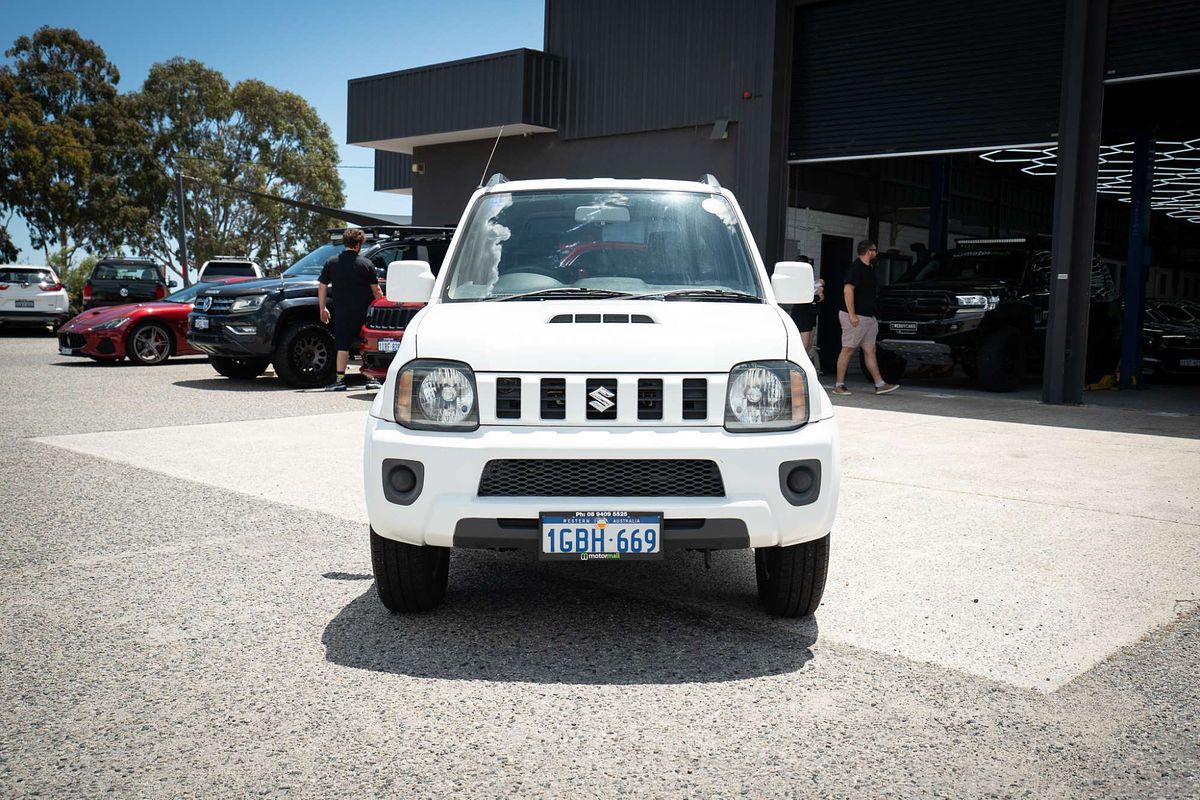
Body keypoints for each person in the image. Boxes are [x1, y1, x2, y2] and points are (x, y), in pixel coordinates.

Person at [318, 228, 383, 391]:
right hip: (364, 313)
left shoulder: (331, 262)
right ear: (359, 244)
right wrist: (381, 307)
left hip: (342, 313)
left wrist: (323, 308)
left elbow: (322, 286)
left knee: (342, 347)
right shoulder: (366, 264)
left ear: (344, 242)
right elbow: (376, 290)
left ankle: (340, 381)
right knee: (366, 346)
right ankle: (372, 379)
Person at [834, 240, 898, 396]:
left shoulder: (869, 268)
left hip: (868, 317)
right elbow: (848, 291)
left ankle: (879, 384)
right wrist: (852, 315)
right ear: (869, 251)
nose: (876, 253)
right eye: (875, 250)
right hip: (856, 317)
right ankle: (839, 385)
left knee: (870, 350)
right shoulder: (855, 268)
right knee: (848, 349)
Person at [788, 254, 823, 355]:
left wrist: (818, 294)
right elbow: (802, 296)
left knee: (809, 345)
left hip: (811, 313)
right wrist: (816, 294)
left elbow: (818, 295)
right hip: (802, 313)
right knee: (803, 344)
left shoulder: (808, 279)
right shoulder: (796, 279)